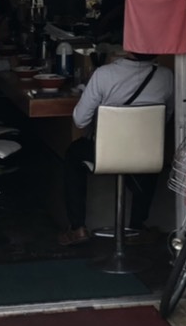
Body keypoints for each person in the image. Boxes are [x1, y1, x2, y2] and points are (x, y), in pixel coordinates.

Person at [58, 47, 173, 246]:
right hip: (145, 153)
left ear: (128, 46)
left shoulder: (104, 74)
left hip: (105, 153)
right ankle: (137, 225)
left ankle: (78, 227)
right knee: (152, 149)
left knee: (73, 154)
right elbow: (167, 117)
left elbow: (79, 120)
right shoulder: (166, 76)